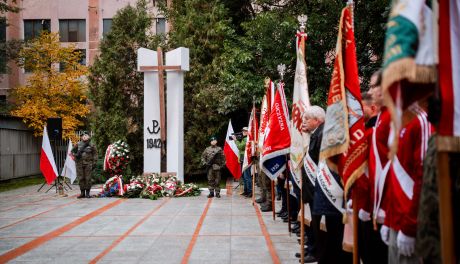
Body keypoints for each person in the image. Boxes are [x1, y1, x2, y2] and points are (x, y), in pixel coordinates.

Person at [381, 103, 433, 264]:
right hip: (396, 218)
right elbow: (394, 177)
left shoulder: (420, 119)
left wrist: (410, 227)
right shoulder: (399, 118)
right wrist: (389, 220)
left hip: (411, 221)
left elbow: (423, 176)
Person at [296, 105, 325, 263]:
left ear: (317, 120)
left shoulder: (321, 135)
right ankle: (312, 248)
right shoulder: (315, 134)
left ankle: (316, 251)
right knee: (312, 221)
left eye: (307, 119)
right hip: (311, 187)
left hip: (317, 186)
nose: (304, 121)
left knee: (317, 222)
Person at [72, 131, 97, 199]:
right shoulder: (78, 144)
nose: (84, 137)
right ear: (81, 137)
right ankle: (82, 193)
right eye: (83, 136)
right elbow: (72, 152)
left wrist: (94, 162)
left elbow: (95, 154)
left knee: (88, 178)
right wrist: (75, 156)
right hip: (79, 164)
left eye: (86, 135)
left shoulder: (91, 145)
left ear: (89, 136)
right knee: (81, 178)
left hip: (88, 164)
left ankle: (88, 193)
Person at [234, 127, 252, 197]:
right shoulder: (244, 138)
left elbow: (240, 147)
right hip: (243, 158)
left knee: (247, 176)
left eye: (245, 131)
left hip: (246, 159)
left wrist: (236, 140)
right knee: (244, 176)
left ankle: (250, 191)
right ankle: (246, 190)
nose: (243, 132)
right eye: (243, 131)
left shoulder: (247, 138)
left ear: (248, 132)